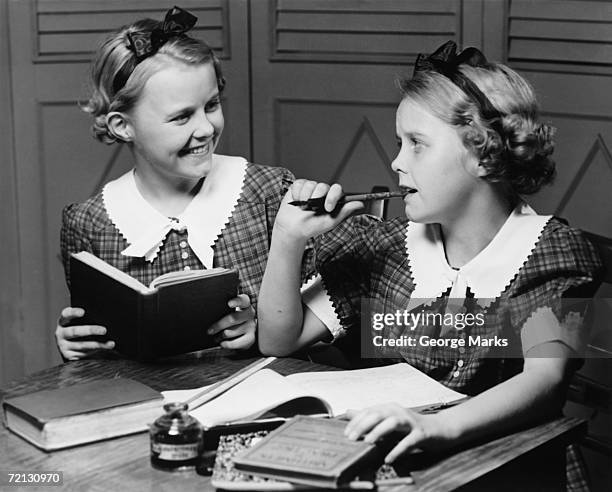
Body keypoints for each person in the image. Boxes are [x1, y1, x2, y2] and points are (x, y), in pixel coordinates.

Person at [257, 41, 602, 488]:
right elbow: (279, 339)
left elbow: (546, 380)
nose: (397, 162)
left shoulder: (554, 253)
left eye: (416, 144)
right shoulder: (383, 248)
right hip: (404, 468)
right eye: (400, 143)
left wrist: (434, 427)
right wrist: (288, 237)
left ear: (484, 153)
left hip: (515, 469)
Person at [56, 7, 329, 360]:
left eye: (211, 105)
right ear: (123, 126)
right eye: (182, 116)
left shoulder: (269, 193)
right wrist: (75, 346)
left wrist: (259, 327)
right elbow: (103, 356)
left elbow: (327, 317)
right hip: (156, 409)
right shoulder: (88, 224)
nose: (205, 128)